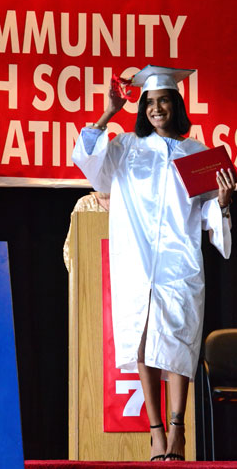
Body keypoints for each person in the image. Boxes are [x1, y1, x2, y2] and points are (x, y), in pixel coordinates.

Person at [72, 65, 235, 461]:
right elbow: (90, 165)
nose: (156, 108)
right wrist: (108, 112)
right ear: (142, 107)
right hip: (136, 261)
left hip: (179, 263)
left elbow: (209, 214)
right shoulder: (126, 147)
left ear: (175, 105)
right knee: (142, 341)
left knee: (178, 344)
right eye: (149, 102)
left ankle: (178, 431)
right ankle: (155, 432)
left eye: (163, 101)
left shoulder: (198, 154)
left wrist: (224, 204)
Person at [63, 191, 110, 271]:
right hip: (91, 276)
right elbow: (70, 250)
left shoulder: (129, 204)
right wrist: (81, 277)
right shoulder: (84, 204)